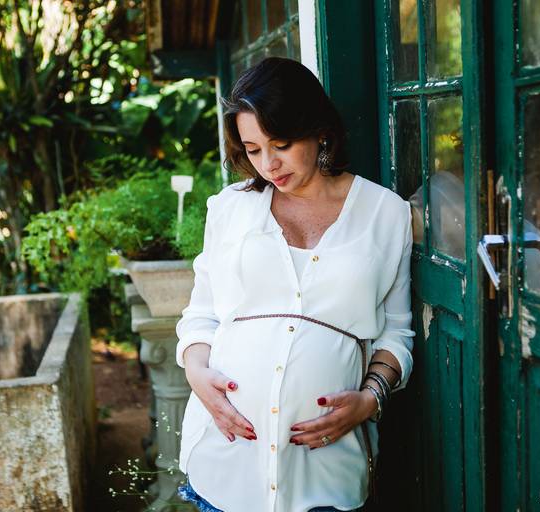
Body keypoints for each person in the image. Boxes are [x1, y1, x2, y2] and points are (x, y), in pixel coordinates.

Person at [174, 57, 415, 512]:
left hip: (326, 469)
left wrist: (370, 399)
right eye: (252, 149)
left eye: (281, 144)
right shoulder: (229, 208)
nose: (268, 164)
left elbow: (397, 332)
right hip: (227, 464)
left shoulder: (386, 213)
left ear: (319, 130)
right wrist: (196, 373)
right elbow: (201, 315)